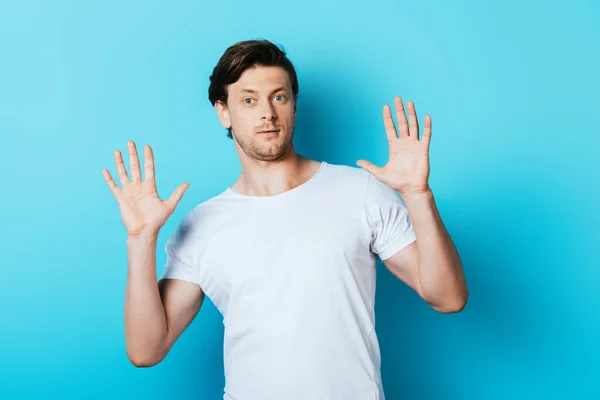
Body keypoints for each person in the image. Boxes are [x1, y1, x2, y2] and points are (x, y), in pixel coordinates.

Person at [102, 39, 468, 400]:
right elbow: (146, 351)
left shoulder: (360, 191)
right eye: (249, 100)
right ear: (223, 111)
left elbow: (448, 297)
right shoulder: (203, 225)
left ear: (293, 104)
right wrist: (140, 239)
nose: (267, 113)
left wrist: (418, 196)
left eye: (279, 97)